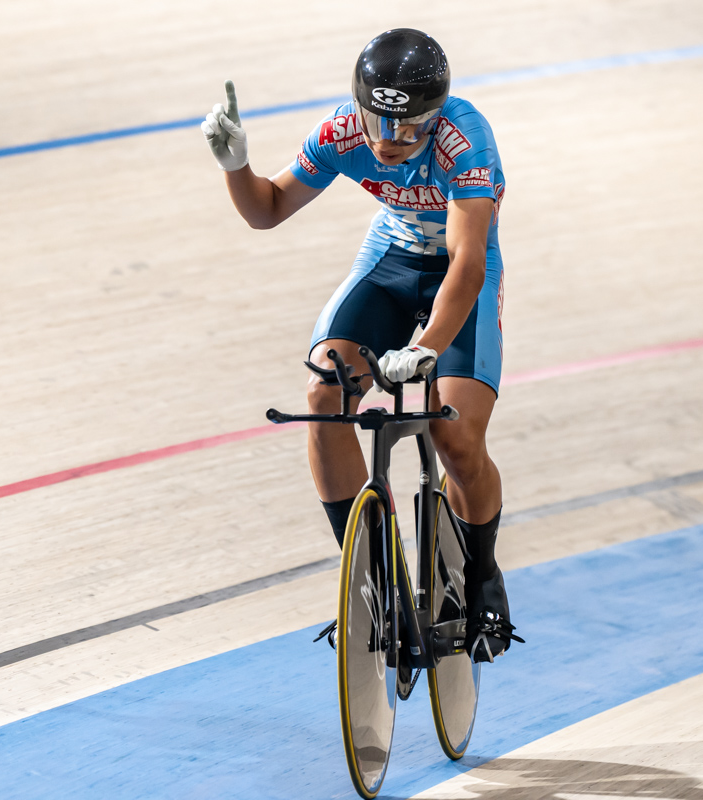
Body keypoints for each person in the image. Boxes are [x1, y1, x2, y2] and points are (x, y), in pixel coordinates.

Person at [201, 28, 519, 661]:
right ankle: (373, 581)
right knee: (325, 393)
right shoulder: (342, 132)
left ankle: (482, 572)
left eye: (410, 127)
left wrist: (427, 347)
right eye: (379, 122)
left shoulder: (465, 140)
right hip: (391, 261)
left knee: (456, 436)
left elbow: (466, 266)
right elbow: (267, 210)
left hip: (460, 272)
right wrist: (237, 168)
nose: (389, 139)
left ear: (436, 116)